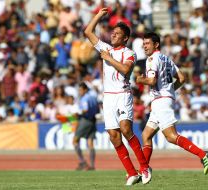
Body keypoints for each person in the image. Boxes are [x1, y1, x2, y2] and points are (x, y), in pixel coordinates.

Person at [84, 8, 151, 185]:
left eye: (117, 34)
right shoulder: (105, 47)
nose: (113, 35)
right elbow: (88, 32)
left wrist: (108, 58)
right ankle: (131, 173)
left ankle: (144, 167)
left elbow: (125, 69)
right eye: (113, 32)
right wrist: (99, 16)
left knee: (126, 129)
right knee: (113, 136)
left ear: (125, 38)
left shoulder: (129, 53)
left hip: (122, 94)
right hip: (108, 98)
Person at [136, 32, 208, 175]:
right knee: (146, 135)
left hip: (161, 102)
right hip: (162, 100)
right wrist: (170, 91)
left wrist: (141, 80)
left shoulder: (152, 59)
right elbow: (182, 78)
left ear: (156, 44)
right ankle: (144, 169)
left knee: (171, 136)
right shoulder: (166, 59)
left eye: (147, 43)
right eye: (144, 43)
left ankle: (203, 154)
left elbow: (152, 81)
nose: (144, 46)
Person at [73, 82, 99, 171]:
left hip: (85, 120)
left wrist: (77, 113)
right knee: (90, 143)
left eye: (80, 90)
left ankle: (82, 162)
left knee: (75, 141)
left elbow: (85, 110)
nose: (80, 92)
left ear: (85, 89)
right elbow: (98, 109)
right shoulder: (93, 97)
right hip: (93, 120)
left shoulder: (85, 98)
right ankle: (92, 165)